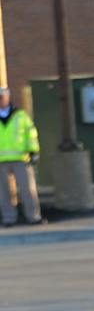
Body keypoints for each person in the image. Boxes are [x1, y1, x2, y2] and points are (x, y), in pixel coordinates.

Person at [0, 87, 42, 228]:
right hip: (1, 161)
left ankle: (33, 216)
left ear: (8, 97)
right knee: (4, 192)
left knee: (27, 189)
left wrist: (33, 151)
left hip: (21, 158)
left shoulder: (20, 115)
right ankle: (8, 218)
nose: (1, 100)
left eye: (2, 97)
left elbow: (30, 134)